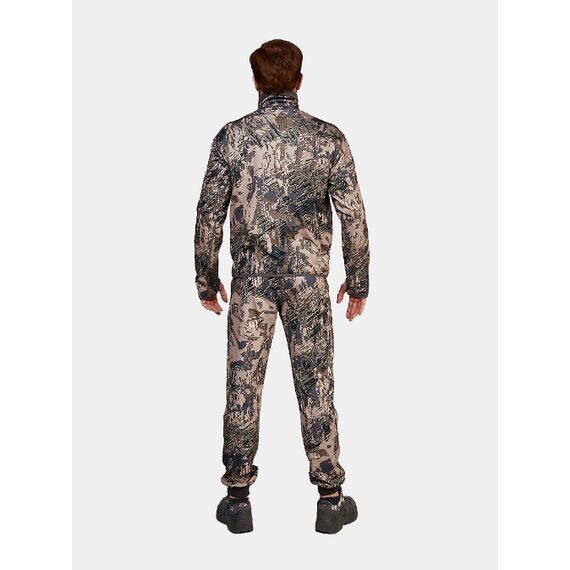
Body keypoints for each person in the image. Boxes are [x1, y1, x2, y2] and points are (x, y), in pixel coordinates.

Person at [194, 39, 370, 534]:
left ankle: (237, 499)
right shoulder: (328, 138)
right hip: (308, 285)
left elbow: (208, 214)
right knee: (317, 383)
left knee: (242, 385)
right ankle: (330, 500)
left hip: (251, 284)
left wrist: (207, 278)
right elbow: (354, 215)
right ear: (299, 80)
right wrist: (358, 280)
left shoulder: (232, 138)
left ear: (254, 81)